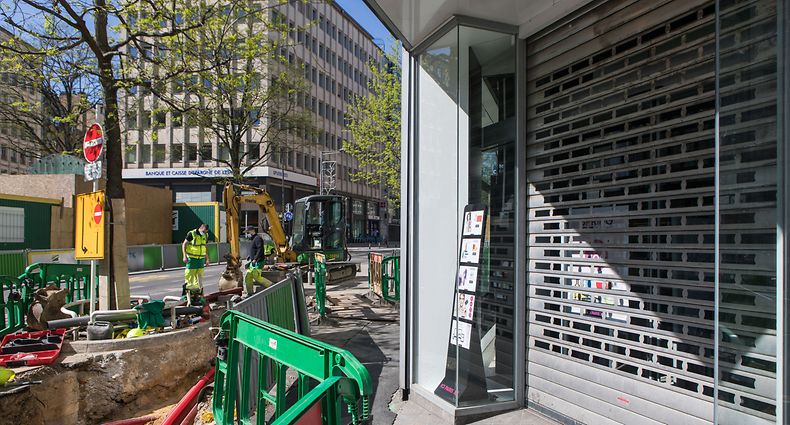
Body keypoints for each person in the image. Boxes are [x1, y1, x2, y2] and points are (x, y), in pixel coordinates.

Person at [182, 223, 210, 303]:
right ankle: (189, 298)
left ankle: (200, 296)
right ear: (201, 228)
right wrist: (184, 256)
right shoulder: (192, 234)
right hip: (192, 259)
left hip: (200, 259)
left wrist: (207, 259)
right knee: (190, 279)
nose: (204, 233)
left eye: (206, 232)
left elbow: (204, 247)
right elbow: (184, 244)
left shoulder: (206, 235)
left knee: (200, 278)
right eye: (204, 231)